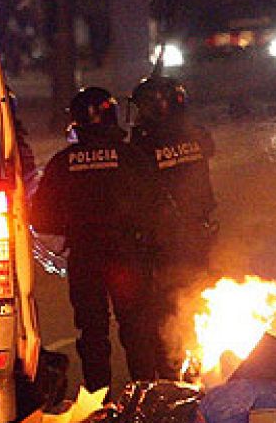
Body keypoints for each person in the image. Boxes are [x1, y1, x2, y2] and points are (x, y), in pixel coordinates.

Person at [30, 89, 175, 393]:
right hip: (128, 256)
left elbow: (41, 218)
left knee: (92, 333)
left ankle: (99, 400)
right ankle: (144, 396)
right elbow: (159, 206)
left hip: (85, 258)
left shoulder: (62, 163)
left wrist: (75, 228)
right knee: (136, 327)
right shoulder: (132, 157)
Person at [129, 75, 217, 295]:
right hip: (199, 226)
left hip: (164, 234)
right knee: (198, 286)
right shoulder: (197, 134)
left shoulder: (145, 142)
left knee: (169, 295)